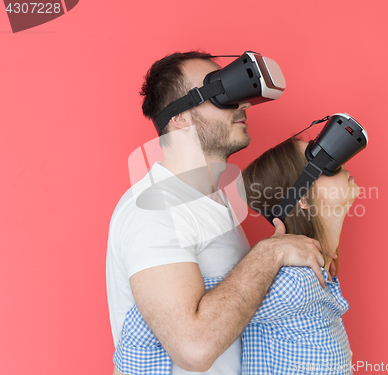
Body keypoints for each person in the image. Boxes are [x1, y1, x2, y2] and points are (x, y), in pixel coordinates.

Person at [106, 51, 336, 374]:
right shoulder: (153, 209)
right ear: (179, 118)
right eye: (221, 91)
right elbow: (194, 348)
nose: (243, 104)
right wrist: (269, 253)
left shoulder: (219, 201)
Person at [239, 137, 360, 374]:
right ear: (303, 199)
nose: (341, 162)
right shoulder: (293, 282)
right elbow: (202, 312)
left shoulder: (317, 274)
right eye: (323, 161)